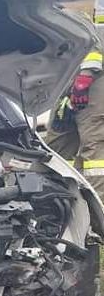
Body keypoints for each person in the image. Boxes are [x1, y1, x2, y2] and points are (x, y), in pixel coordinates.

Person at [46, 40, 104, 200]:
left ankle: (98, 208)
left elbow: (91, 44)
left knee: (95, 154)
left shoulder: (69, 17)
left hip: (92, 88)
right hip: (65, 91)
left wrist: (84, 78)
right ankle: (59, 198)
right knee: (56, 149)